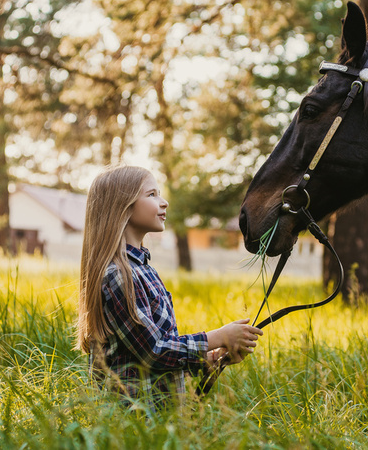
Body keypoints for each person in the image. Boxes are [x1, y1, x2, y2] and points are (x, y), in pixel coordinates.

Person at [76, 165, 262, 408]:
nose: (163, 202)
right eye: (152, 195)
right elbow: (153, 351)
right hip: (134, 422)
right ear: (123, 205)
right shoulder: (119, 275)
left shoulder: (144, 270)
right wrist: (217, 337)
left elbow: (160, 354)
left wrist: (212, 358)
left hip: (159, 416)